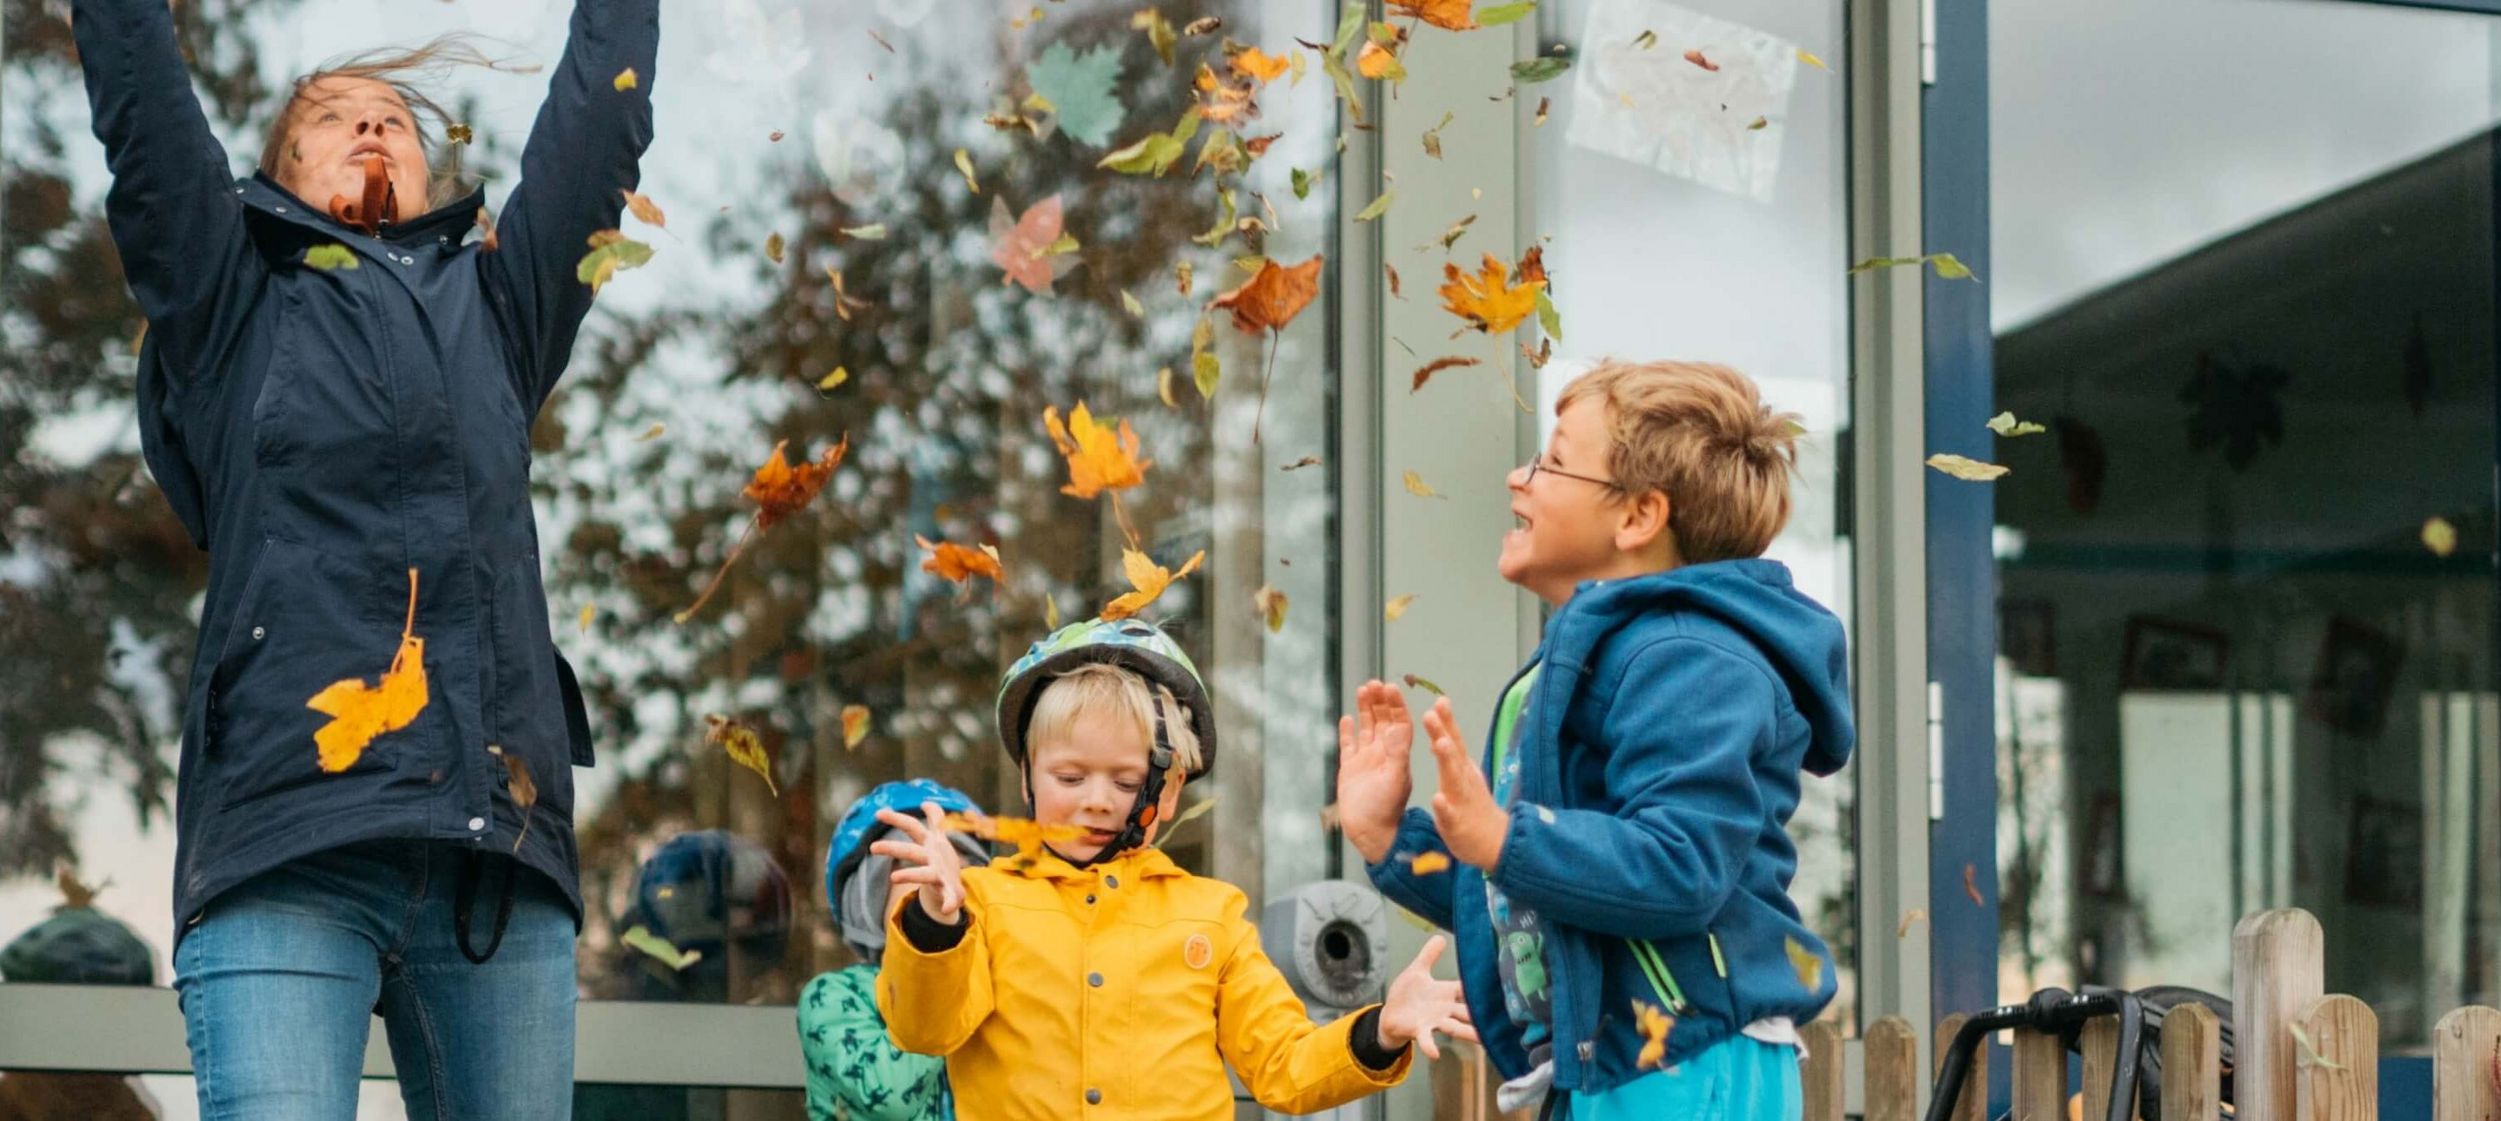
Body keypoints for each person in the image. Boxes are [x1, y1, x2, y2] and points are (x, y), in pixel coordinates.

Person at [73, 0, 658, 1113]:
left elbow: (596, 135)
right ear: (279, 178)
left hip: (494, 853)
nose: (374, 132)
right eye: (335, 121)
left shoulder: (501, 310)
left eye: (394, 119)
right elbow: (146, 119)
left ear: (435, 175)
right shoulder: (228, 306)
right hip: (289, 837)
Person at [1336, 360, 1856, 1119]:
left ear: (1637, 517)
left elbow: (1679, 865)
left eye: (1552, 460)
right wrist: (1390, 837)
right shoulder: (1592, 661)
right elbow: (1524, 892)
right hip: (1619, 1065)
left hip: (1682, 1059)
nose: (1519, 476)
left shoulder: (1689, 657)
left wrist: (1507, 836)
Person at [871, 618, 1475, 1120]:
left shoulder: (1211, 916)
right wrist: (936, 921)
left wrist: (1382, 1031)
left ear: (1171, 787)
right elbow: (923, 1031)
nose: (1097, 800)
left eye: (1128, 781)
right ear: (1027, 777)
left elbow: (1285, 1067)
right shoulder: (980, 901)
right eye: (1070, 778)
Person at [801, 780, 995, 1121]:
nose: (936, 889)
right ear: (865, 898)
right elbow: (890, 1096)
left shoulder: (985, 983)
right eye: (914, 871)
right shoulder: (832, 995)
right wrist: (937, 962)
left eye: (956, 874)